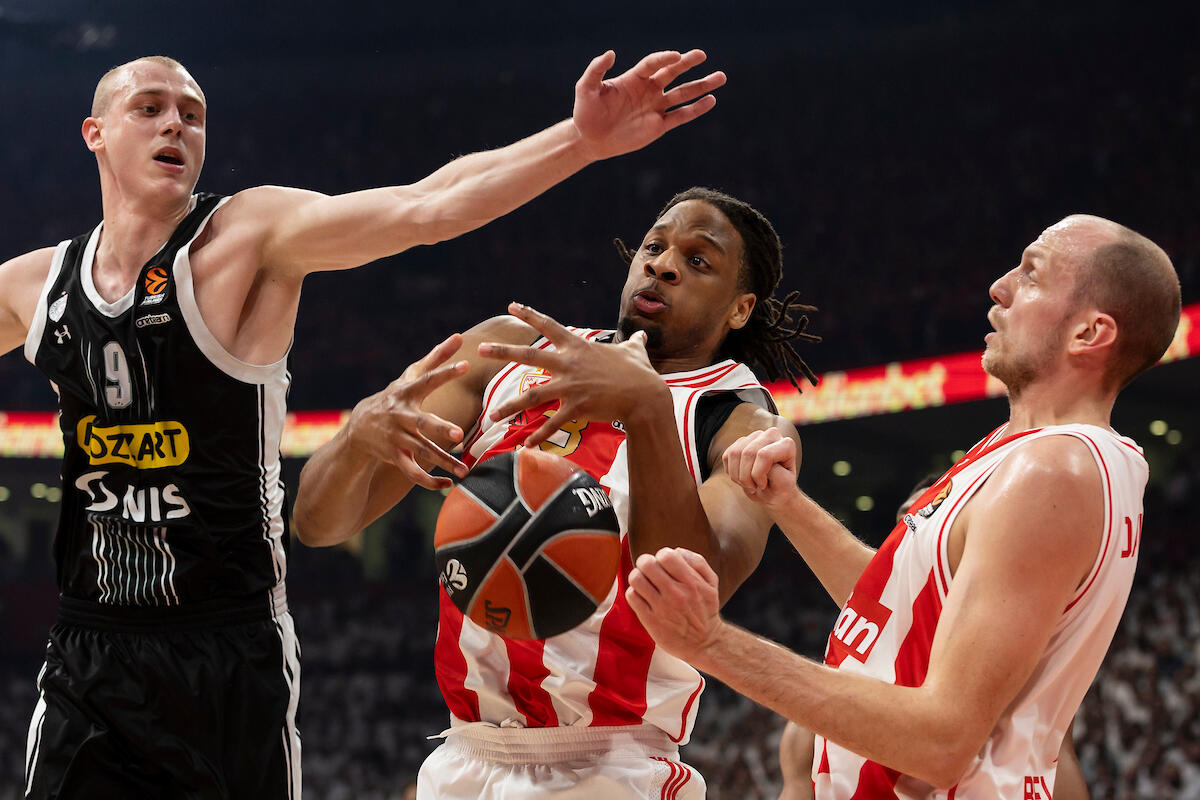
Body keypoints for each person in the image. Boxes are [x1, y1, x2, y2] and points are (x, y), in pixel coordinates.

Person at [2, 49, 726, 798]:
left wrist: (578, 140)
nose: (175, 126)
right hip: (89, 644)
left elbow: (427, 205)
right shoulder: (37, 285)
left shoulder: (245, 234)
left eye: (193, 115)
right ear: (94, 133)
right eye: (150, 108)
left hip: (224, 644)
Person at [626, 214, 1181, 798]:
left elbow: (940, 743)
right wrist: (788, 503)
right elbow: (901, 608)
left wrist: (712, 643)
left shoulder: (1053, 472)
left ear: (1089, 333)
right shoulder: (1028, 453)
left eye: (1032, 275)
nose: (1000, 287)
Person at [293, 187, 820, 798]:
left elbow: (699, 594)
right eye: (654, 246)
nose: (663, 265)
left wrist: (648, 411)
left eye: (697, 261)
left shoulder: (740, 424)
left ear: (740, 308)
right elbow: (318, 524)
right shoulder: (507, 354)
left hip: (613, 767)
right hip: (464, 756)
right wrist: (357, 435)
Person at [775, 472, 1091, 799]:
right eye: (909, 522)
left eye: (935, 520)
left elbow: (1056, 763)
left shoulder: (1021, 661)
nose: (919, 531)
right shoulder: (829, 698)